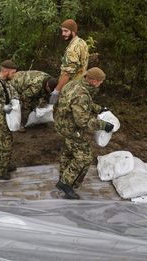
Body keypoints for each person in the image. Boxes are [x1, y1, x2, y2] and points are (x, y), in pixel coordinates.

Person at [53, 67, 114, 199]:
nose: (100, 84)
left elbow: (84, 104)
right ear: (92, 80)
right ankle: (66, 183)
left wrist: (100, 109)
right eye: (99, 81)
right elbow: (83, 121)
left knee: (68, 152)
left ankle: (63, 178)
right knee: (85, 157)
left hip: (62, 125)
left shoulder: (74, 83)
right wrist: (104, 125)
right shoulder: (82, 94)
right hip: (72, 129)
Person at [49, 19, 89, 105]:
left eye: (66, 31)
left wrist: (56, 91)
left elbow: (67, 73)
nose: (63, 34)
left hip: (70, 89)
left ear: (73, 31)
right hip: (81, 86)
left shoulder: (72, 50)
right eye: (62, 31)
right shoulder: (82, 42)